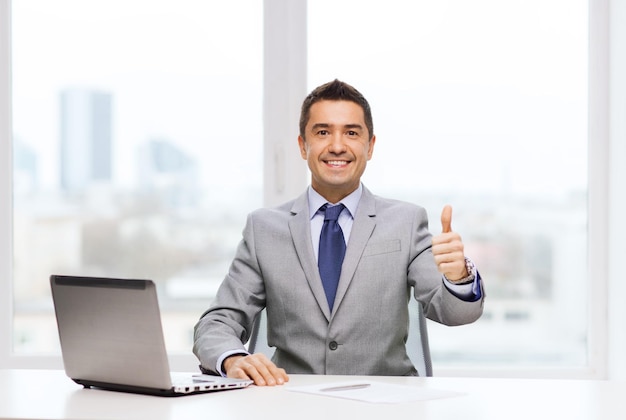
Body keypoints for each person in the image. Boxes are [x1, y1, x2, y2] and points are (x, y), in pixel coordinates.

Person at [193, 79, 485, 386]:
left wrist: (458, 278)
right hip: (292, 404)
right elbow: (217, 323)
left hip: (387, 406)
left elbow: (454, 313)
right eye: (322, 132)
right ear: (302, 145)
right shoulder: (264, 228)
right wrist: (232, 359)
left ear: (370, 146)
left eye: (351, 133)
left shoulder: (407, 221)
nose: (336, 145)